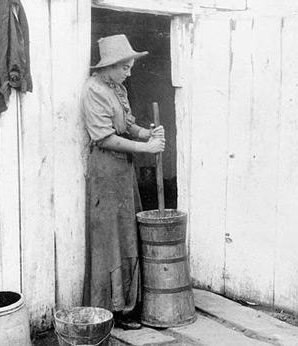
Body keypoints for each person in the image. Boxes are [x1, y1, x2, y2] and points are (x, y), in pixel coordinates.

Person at [81, 34, 165, 330]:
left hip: (123, 171)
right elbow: (103, 137)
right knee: (110, 239)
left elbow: (126, 125)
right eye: (125, 67)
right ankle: (108, 310)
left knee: (127, 232)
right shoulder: (94, 90)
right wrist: (146, 149)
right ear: (111, 65)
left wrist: (147, 134)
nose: (130, 72)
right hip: (105, 172)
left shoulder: (116, 87)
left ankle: (127, 305)